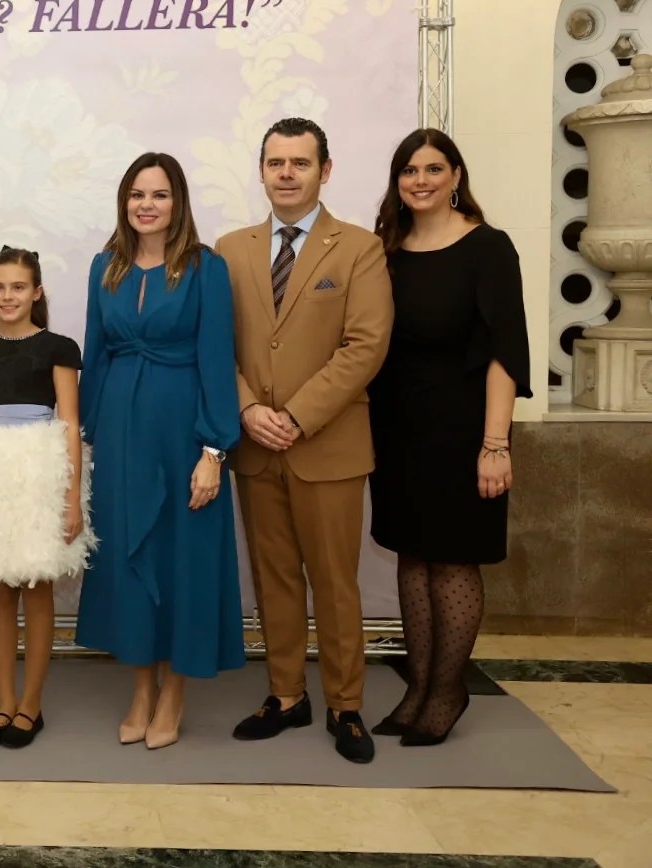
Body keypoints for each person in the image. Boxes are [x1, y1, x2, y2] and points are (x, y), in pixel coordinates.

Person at [214, 118, 392, 764]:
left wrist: (293, 414)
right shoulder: (228, 250)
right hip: (255, 447)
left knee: (334, 584)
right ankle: (285, 695)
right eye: (275, 162)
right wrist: (245, 410)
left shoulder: (358, 249)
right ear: (260, 170)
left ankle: (345, 706)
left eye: (299, 162)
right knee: (273, 580)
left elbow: (365, 345)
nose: (286, 173)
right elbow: (215, 345)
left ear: (325, 169)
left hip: (327, 447)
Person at [75, 154, 246, 750]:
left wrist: (214, 450)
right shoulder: (106, 267)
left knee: (184, 561)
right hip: (122, 435)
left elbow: (217, 362)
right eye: (137, 194)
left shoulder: (205, 269)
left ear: (179, 204)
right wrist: (83, 436)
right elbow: (95, 356)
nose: (147, 204)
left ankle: (175, 693)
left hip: (183, 435)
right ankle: (141, 688)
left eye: (161, 194)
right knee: (127, 556)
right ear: (124, 202)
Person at [367, 128, 530, 746]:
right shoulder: (387, 250)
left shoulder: (488, 248)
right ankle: (418, 686)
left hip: (464, 432)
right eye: (409, 170)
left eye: (434, 168)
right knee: (412, 557)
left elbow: (504, 354)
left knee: (453, 560)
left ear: (456, 175)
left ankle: (448, 689)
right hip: (399, 429)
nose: (421, 180)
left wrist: (495, 445)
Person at [0, 245, 93, 749]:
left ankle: (32, 704)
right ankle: (3, 703)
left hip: (40, 474)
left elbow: (69, 425)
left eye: (18, 287)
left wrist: (71, 497)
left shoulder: (60, 347)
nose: (8, 296)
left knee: (37, 588)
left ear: (37, 292)